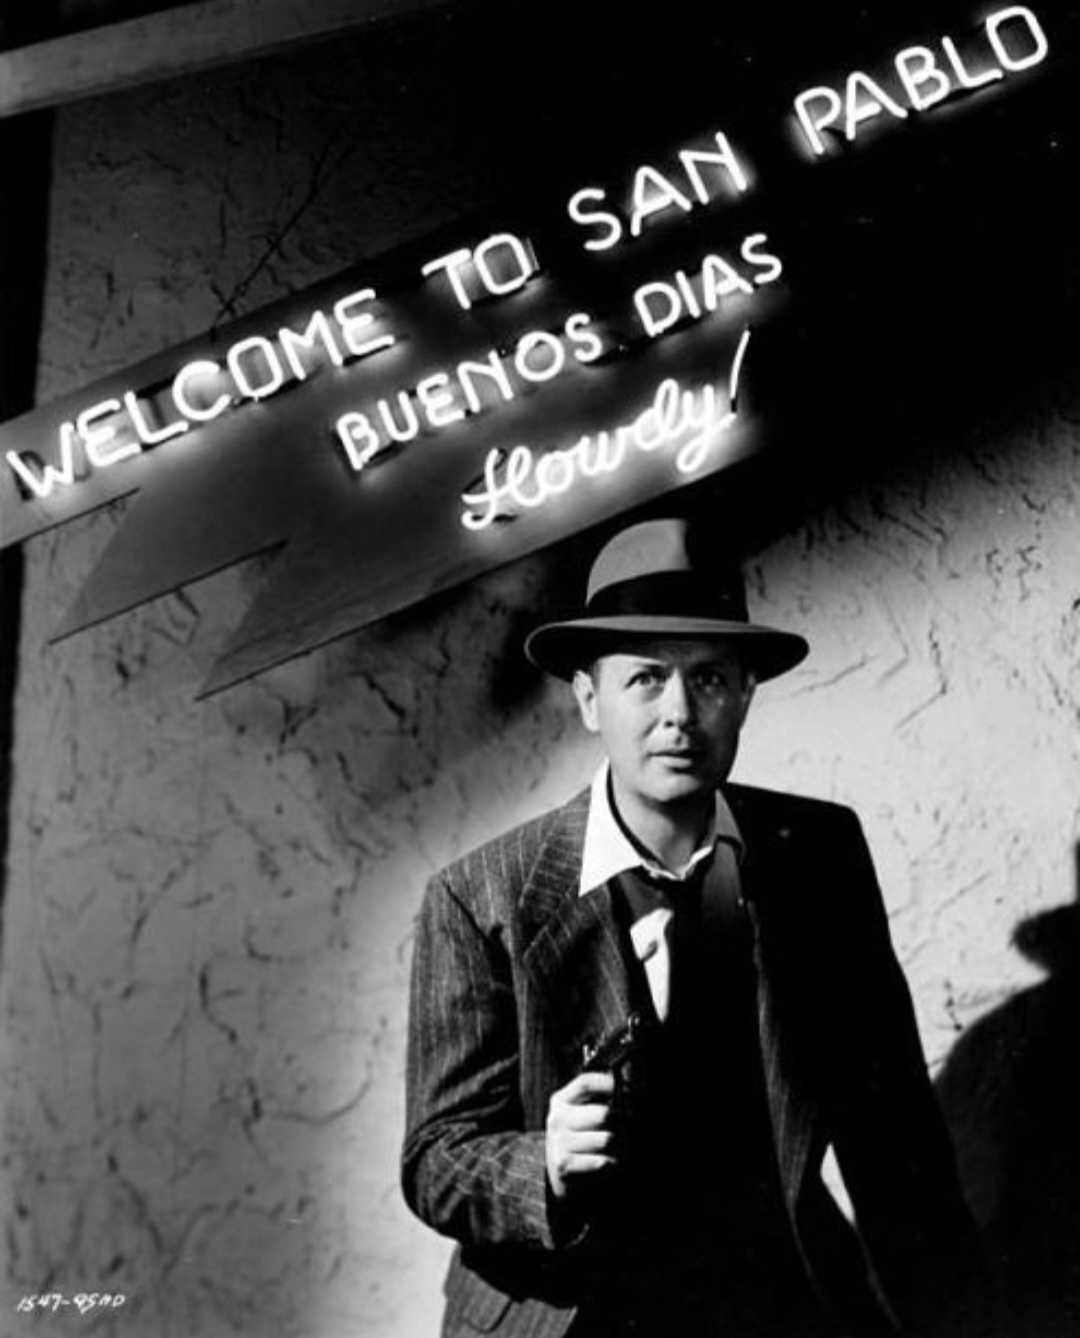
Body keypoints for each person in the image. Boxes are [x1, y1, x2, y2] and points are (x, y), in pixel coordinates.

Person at [402, 516, 986, 1338]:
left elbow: (897, 1146)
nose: (679, 714)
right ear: (589, 700)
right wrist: (544, 1163)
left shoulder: (816, 852)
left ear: (746, 694)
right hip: (573, 1316)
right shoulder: (481, 897)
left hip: (773, 1303)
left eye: (708, 678)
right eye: (645, 679)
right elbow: (435, 1159)